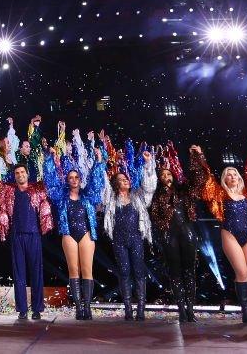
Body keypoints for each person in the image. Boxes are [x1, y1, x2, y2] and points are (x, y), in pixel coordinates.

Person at [188, 144, 247, 324]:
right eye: (228, 174)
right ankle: (245, 311)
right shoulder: (220, 194)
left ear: (239, 177)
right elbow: (207, 178)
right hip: (230, 233)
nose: (232, 176)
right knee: (241, 272)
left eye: (234, 173)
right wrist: (200, 155)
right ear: (224, 179)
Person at [43, 134, 106, 320]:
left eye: (76, 176)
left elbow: (97, 183)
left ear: (80, 179)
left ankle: (87, 307)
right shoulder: (60, 196)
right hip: (69, 234)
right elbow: (51, 181)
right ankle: (79, 308)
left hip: (86, 234)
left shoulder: (88, 196)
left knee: (87, 270)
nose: (73, 179)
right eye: (70, 177)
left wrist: (99, 160)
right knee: (74, 270)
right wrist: (49, 158)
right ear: (67, 180)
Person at [101, 149, 156, 320]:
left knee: (139, 271)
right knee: (124, 272)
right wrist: (101, 164)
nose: (125, 181)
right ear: (116, 184)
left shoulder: (138, 196)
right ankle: (127, 310)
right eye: (121, 179)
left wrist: (148, 164)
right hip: (119, 240)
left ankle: (140, 309)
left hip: (136, 239)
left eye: (126, 179)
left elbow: (149, 187)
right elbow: (102, 185)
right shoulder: (110, 199)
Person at [0, 160, 55, 320]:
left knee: (36, 273)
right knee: (19, 274)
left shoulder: (36, 190)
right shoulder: (9, 191)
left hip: (33, 235)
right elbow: (3, 210)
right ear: (14, 176)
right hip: (17, 236)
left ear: (27, 174)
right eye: (17, 173)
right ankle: (22, 309)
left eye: (22, 172)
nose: (20, 175)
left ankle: (37, 309)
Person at [149, 143, 200, 322]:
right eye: (162, 175)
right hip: (169, 236)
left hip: (187, 233)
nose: (165, 177)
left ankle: (191, 309)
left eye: (168, 173)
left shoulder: (183, 191)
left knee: (189, 272)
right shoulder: (156, 196)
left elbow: (196, 179)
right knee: (175, 273)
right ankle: (181, 310)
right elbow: (154, 216)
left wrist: (196, 157)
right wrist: (164, 226)